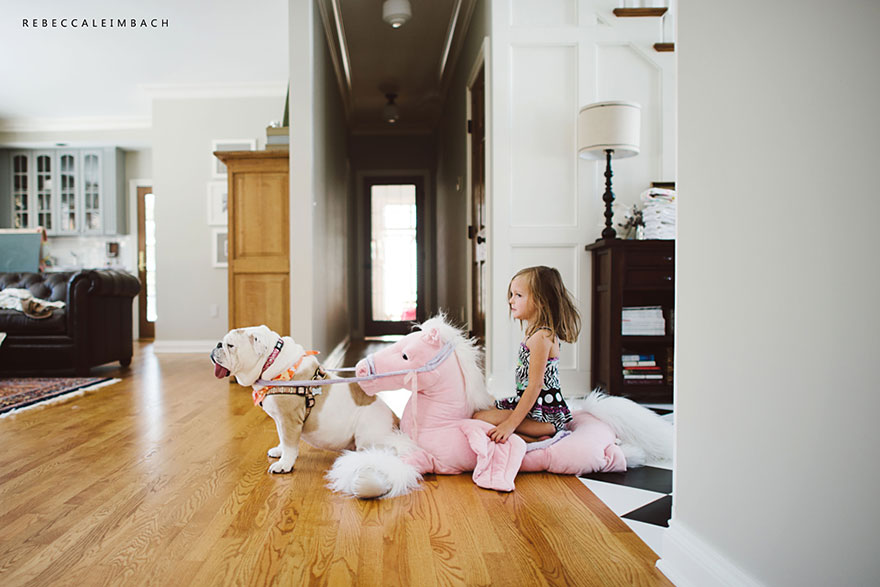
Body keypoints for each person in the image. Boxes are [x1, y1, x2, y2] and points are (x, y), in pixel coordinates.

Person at [474, 266, 581, 444]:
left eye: (518, 295)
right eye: (511, 294)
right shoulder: (534, 334)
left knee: (480, 418)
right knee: (484, 410)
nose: (511, 300)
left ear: (541, 301)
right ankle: (534, 436)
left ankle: (540, 437)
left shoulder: (541, 337)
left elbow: (535, 386)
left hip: (545, 417)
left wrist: (509, 424)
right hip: (533, 409)